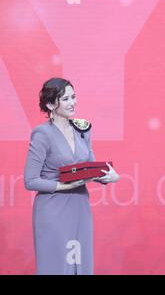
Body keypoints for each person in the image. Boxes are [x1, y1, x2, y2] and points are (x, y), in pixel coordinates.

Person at [24, 77, 120, 275]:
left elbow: (90, 166)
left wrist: (108, 176)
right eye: (66, 98)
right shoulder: (42, 134)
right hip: (53, 209)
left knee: (81, 266)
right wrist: (63, 186)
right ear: (51, 104)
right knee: (58, 267)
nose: (73, 102)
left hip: (80, 207)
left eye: (74, 97)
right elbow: (30, 180)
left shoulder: (82, 129)